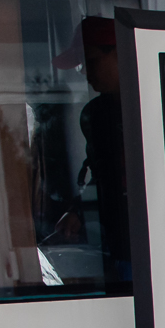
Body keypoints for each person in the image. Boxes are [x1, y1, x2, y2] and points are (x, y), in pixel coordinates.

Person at [51, 16, 130, 286]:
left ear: (122, 53)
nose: (87, 73)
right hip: (119, 245)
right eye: (82, 66)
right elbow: (103, 173)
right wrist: (80, 210)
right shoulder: (97, 115)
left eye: (91, 61)